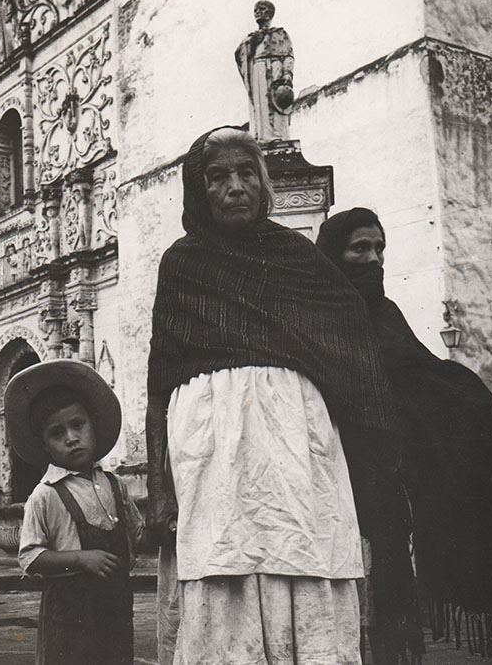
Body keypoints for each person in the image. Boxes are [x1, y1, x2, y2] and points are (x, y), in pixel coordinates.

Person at [146, 127, 404, 665]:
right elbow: (161, 376)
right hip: (212, 454)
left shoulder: (298, 258)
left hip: (297, 449)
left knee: (303, 555)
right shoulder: (182, 263)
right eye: (217, 176)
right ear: (198, 189)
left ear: (263, 185)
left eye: (246, 173)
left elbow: (352, 338)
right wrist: (159, 483)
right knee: (223, 564)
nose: (235, 187)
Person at [317, 207, 492, 662]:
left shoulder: (385, 313)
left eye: (380, 248)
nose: (374, 259)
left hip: (388, 487)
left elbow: (417, 378)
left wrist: (466, 395)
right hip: (332, 480)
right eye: (360, 248)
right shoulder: (317, 315)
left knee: (390, 603)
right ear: (332, 254)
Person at [6, 358, 146, 665]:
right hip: (68, 616)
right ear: (44, 445)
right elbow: (29, 558)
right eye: (57, 433)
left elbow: (138, 535)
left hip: (115, 610)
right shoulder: (45, 494)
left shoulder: (115, 485)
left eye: (78, 425)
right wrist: (81, 558)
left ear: (94, 424)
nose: (71, 437)